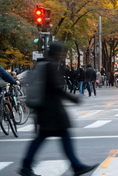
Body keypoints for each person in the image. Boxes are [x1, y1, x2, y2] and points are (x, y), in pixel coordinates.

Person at [19, 43, 98, 176]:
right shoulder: (50, 66)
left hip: (46, 109)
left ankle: (27, 166)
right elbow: (56, 88)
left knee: (44, 137)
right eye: (61, 52)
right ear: (56, 53)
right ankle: (76, 166)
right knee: (60, 136)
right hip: (51, 109)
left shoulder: (44, 64)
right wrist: (74, 99)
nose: (62, 55)